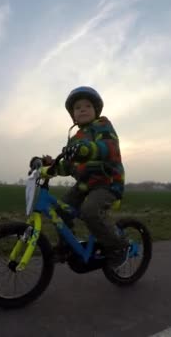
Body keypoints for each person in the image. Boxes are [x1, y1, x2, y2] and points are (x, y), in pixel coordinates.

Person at [34, 86, 129, 269]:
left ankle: (118, 247)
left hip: (107, 183)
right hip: (85, 184)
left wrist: (89, 149)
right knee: (60, 209)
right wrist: (49, 166)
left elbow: (110, 147)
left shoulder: (102, 125)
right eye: (77, 108)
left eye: (87, 106)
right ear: (73, 115)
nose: (82, 109)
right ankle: (67, 247)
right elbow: (68, 165)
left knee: (90, 211)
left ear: (96, 111)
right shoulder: (75, 138)